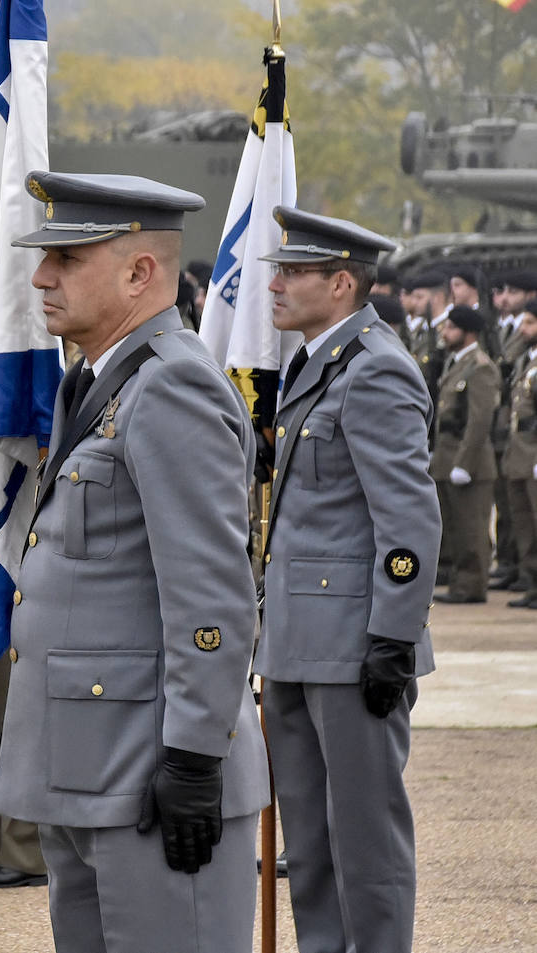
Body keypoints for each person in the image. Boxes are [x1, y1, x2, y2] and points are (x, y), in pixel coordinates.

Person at [0, 173, 269, 952]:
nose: (41, 276)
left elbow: (212, 595)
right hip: (90, 766)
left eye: (67, 259)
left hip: (148, 772)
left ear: (140, 272)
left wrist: (192, 757)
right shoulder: (97, 380)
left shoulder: (170, 382)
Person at [256, 206, 440, 953]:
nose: (275, 283)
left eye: (293, 272)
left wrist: (393, 635)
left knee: (365, 840)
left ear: (340, 283)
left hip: (356, 642)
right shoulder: (315, 360)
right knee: (311, 841)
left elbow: (409, 521)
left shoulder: (376, 366)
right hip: (298, 640)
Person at [430, 306, 501, 604]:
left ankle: (472, 586)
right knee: (455, 527)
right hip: (447, 459)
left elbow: (479, 420)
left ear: (467, 332)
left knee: (472, 529)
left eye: (451, 328)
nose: (445, 333)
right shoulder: (456, 363)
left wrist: (464, 463)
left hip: (469, 463)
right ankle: (460, 582)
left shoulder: (480, 366)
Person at [503, 308, 537, 608]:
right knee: (525, 523)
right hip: (520, 451)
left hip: (534, 451)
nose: (522, 329)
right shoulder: (527, 360)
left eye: (530, 323)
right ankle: (532, 583)